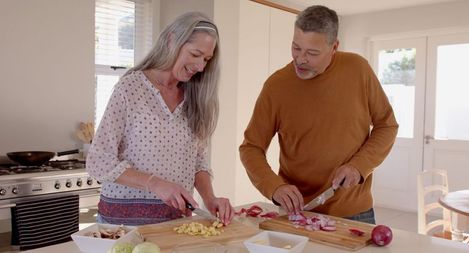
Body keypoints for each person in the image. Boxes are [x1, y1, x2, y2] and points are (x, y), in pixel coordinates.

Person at [239, 5, 398, 224]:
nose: (300, 59)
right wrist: (274, 187)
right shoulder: (276, 86)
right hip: (296, 211)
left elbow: (387, 126)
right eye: (296, 48)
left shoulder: (358, 70)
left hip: (355, 213)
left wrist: (358, 166)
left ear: (334, 47)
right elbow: (251, 148)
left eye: (312, 53)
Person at [87, 12, 234, 226]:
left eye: (206, 59)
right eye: (195, 54)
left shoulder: (195, 97)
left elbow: (198, 161)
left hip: (175, 224)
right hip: (122, 224)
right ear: (172, 40)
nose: (201, 66)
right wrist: (154, 183)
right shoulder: (130, 88)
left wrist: (209, 198)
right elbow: (98, 161)